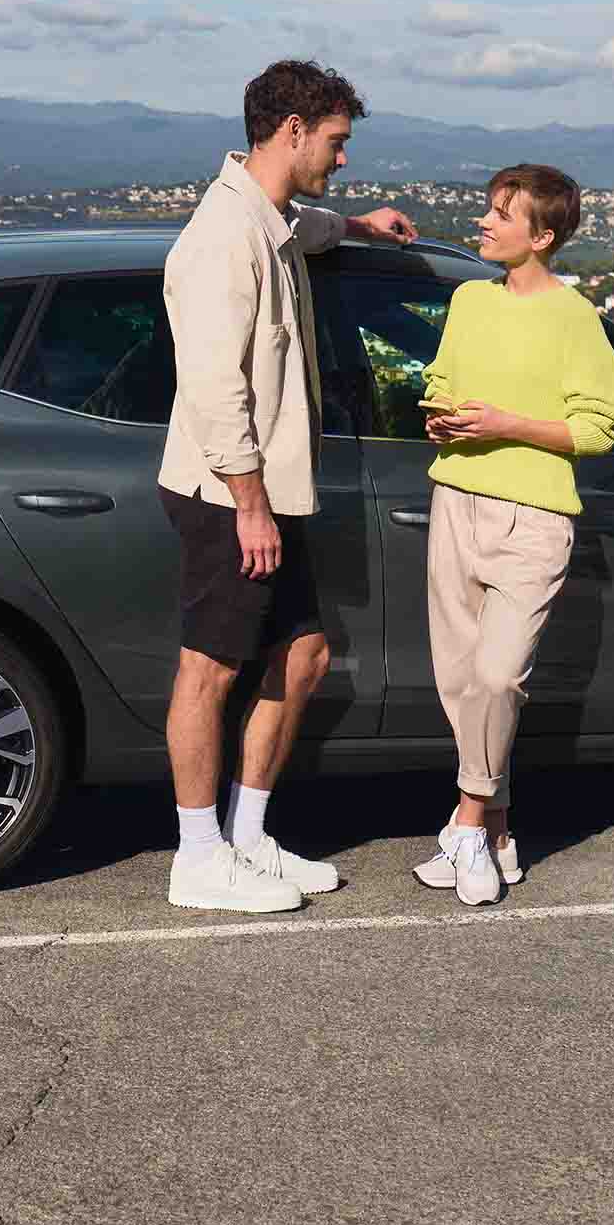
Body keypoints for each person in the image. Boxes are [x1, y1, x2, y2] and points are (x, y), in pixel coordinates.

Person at [156, 59, 416, 913]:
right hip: (229, 494)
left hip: (266, 492)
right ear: (292, 129)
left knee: (302, 656)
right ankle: (197, 860)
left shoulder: (267, 219)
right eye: (337, 142)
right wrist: (251, 505)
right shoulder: (219, 242)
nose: (343, 158)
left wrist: (363, 228)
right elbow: (214, 388)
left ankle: (248, 835)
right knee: (210, 670)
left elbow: (304, 228)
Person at [410, 163, 614, 905]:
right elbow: (440, 384)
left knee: (500, 677)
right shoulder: (470, 301)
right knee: (460, 682)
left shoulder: (576, 320)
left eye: (500, 215)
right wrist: (439, 416)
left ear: (542, 236)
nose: (484, 223)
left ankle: (468, 823)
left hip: (533, 519)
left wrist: (508, 426)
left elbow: (607, 424)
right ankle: (499, 828)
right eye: (488, 209)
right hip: (455, 504)